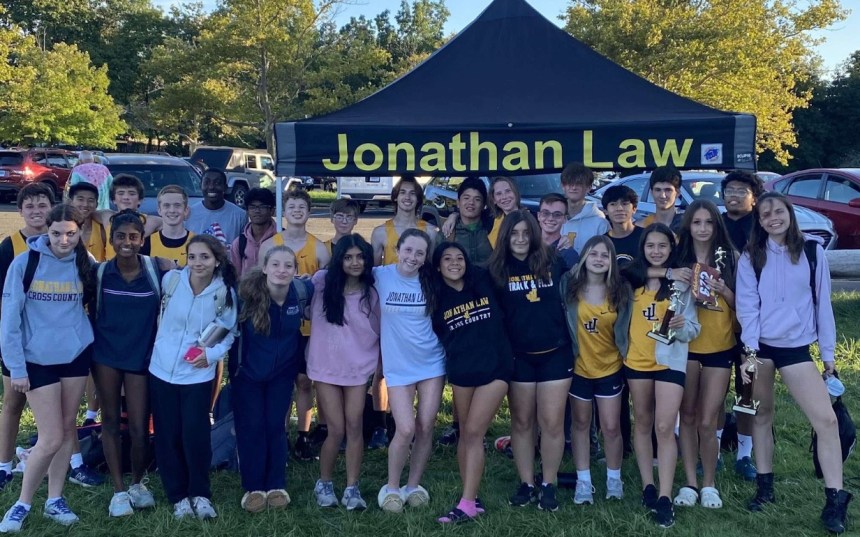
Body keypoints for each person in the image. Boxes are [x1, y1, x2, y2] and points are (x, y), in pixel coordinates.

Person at [736, 192, 852, 533]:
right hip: (758, 349)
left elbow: (823, 305)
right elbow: (747, 307)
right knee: (760, 416)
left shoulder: (812, 251)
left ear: (790, 214)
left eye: (778, 211)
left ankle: (835, 498)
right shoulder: (751, 256)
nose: (773, 218)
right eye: (765, 214)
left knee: (826, 421)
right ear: (759, 221)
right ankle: (765, 487)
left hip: (796, 349)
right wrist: (750, 352)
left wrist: (828, 356)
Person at [0, 204, 96, 532]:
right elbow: (9, 320)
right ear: (47, 230)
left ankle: (55, 500)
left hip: (75, 356)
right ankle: (21, 504)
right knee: (51, 436)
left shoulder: (86, 263)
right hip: (36, 360)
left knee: (67, 430)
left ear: (80, 232)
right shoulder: (24, 263)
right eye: (56, 233)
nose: (63, 240)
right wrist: (16, 367)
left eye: (71, 233)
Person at [89, 211, 175, 517]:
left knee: (139, 426)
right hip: (106, 356)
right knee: (111, 421)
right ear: (111, 240)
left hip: (142, 357)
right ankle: (118, 491)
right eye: (120, 236)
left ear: (142, 239)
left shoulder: (157, 269)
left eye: (134, 236)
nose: (127, 242)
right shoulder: (99, 273)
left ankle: (138, 483)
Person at [148, 234, 238, 520]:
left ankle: (200, 493)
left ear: (217, 261)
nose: (198, 263)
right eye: (193, 256)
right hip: (161, 370)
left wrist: (210, 356)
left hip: (197, 375)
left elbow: (229, 332)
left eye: (205, 257)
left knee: (195, 435)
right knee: (168, 434)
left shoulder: (224, 292)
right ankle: (177, 495)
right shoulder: (172, 281)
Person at [488, 210, 571, 512]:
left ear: (534, 234)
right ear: (505, 236)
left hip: (555, 353)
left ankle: (548, 483)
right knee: (522, 422)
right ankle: (527, 483)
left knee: (551, 423)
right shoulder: (496, 270)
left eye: (526, 232)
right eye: (514, 233)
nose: (521, 239)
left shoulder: (553, 262)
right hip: (518, 357)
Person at [624, 223, 700, 528]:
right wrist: (665, 272)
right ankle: (648, 485)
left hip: (669, 363)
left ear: (672, 248)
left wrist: (681, 327)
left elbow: (694, 329)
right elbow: (620, 273)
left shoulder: (682, 283)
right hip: (636, 362)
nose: (656, 251)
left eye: (663, 246)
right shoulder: (632, 281)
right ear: (642, 248)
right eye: (650, 246)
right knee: (642, 422)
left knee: (665, 426)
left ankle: (666, 496)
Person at [431, 242, 512, 523]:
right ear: (438, 265)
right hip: (462, 371)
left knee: (475, 432)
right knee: (465, 434)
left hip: (496, 368)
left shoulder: (483, 281)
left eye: (459, 258)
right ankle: (472, 496)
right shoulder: (435, 295)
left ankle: (466, 504)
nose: (454, 262)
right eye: (447, 258)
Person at [232, 246, 311, 513]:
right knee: (252, 426)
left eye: (288, 266)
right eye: (275, 264)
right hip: (248, 375)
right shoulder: (244, 295)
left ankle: (276, 484)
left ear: (296, 271)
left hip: (281, 375)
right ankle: (253, 487)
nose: (281, 270)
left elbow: (326, 284)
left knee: (276, 425)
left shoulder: (301, 292)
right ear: (264, 267)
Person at [672, 200, 738, 510]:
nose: (702, 228)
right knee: (686, 416)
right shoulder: (677, 256)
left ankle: (709, 484)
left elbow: (745, 305)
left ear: (717, 225)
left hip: (720, 346)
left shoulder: (731, 258)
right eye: (697, 222)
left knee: (708, 420)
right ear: (688, 225)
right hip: (685, 347)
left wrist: (723, 290)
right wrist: (673, 273)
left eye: (708, 222)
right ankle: (689, 483)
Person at [373, 229, 445, 513]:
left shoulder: (432, 280)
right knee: (405, 428)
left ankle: (413, 485)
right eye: (408, 250)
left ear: (426, 257)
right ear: (397, 249)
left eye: (419, 253)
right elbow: (345, 277)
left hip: (431, 362)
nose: (412, 257)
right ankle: (392, 487)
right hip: (398, 366)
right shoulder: (381, 275)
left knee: (426, 425)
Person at [307, 235, 380, 511]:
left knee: (354, 425)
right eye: (348, 257)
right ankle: (324, 483)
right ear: (339, 260)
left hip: (357, 369)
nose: (354, 262)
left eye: (360, 257)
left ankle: (352, 487)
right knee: (335, 429)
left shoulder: (372, 292)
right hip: (325, 367)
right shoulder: (321, 283)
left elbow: (381, 330)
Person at [259, 189, 331, 461]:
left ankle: (303, 434)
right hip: (276, 325)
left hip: (308, 327)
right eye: (292, 207)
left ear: (309, 212)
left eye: (302, 207)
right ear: (284, 211)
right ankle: (277, 433)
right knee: (279, 381)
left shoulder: (319, 248)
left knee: (304, 381)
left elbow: (326, 290)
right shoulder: (270, 245)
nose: (297, 211)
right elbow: (258, 284)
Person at [560, 235, 631, 506]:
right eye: (593, 254)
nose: (599, 259)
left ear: (612, 261)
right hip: (579, 367)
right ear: (584, 258)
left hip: (610, 367)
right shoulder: (569, 285)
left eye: (604, 255)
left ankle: (614, 478)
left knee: (611, 427)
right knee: (580, 424)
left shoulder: (621, 290)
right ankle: (583, 480)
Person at [370, 177, 438, 447]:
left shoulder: (430, 231)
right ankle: (380, 422)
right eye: (403, 193)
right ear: (395, 197)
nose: (407, 197)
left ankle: (408, 423)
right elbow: (371, 274)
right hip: (388, 306)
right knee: (381, 369)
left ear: (419, 199)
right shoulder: (380, 232)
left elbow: (432, 270)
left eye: (413, 193)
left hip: (417, 304)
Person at [0, 184, 54, 492]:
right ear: (19, 211)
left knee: (56, 411)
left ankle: (57, 462)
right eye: (30, 206)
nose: (36, 211)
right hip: (19, 340)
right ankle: (4, 465)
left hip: (51, 343)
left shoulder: (60, 242)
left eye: (42, 205)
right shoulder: (10, 246)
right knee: (13, 402)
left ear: (51, 208)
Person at [720, 169, 765, 480]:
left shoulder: (762, 227)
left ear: (754, 197)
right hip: (716, 319)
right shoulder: (714, 223)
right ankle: (713, 449)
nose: (734, 196)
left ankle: (745, 453)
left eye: (741, 191)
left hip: (751, 320)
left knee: (747, 388)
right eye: (729, 190)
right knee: (715, 388)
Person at [185, 169, 248, 245]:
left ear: (225, 187)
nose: (211, 187)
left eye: (217, 183)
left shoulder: (240, 215)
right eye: (207, 182)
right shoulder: (188, 214)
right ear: (200, 186)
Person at [559, 162, 610, 253]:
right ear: (563, 186)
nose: (573, 187)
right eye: (570, 183)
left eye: (578, 184)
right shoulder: (553, 218)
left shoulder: (600, 223)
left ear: (588, 188)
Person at [443, 177, 493, 267]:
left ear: (483, 205)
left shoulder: (493, 228)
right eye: (466, 198)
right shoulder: (448, 231)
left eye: (477, 199)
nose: (471, 202)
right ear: (458, 202)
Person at [230, 188, 277, 276]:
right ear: (247, 211)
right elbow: (235, 277)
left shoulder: (282, 238)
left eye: (262, 207)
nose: (257, 211)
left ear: (272, 211)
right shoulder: (240, 243)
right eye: (252, 207)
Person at [150, 185, 195, 267]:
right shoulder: (147, 243)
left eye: (177, 205)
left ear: (186, 210)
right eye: (166, 205)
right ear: (159, 210)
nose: (172, 210)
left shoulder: (196, 242)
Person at [601, 185, 643, 267]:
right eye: (613, 204)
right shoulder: (602, 243)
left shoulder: (647, 237)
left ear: (634, 209)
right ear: (605, 211)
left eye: (624, 204)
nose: (619, 208)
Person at [538, 193, 580, 269]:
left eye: (557, 214)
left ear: (565, 219)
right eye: (546, 213)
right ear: (539, 216)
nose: (550, 218)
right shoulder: (528, 246)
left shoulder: (569, 255)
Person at [636, 167, 684, 232]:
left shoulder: (687, 227)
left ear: (677, 193)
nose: (662, 196)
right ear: (651, 192)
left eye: (668, 190)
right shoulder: (640, 227)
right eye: (658, 190)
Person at [69, 182, 107, 262]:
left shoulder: (102, 229)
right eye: (80, 199)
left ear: (96, 204)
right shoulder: (61, 228)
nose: (85, 204)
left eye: (90, 200)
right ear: (71, 202)